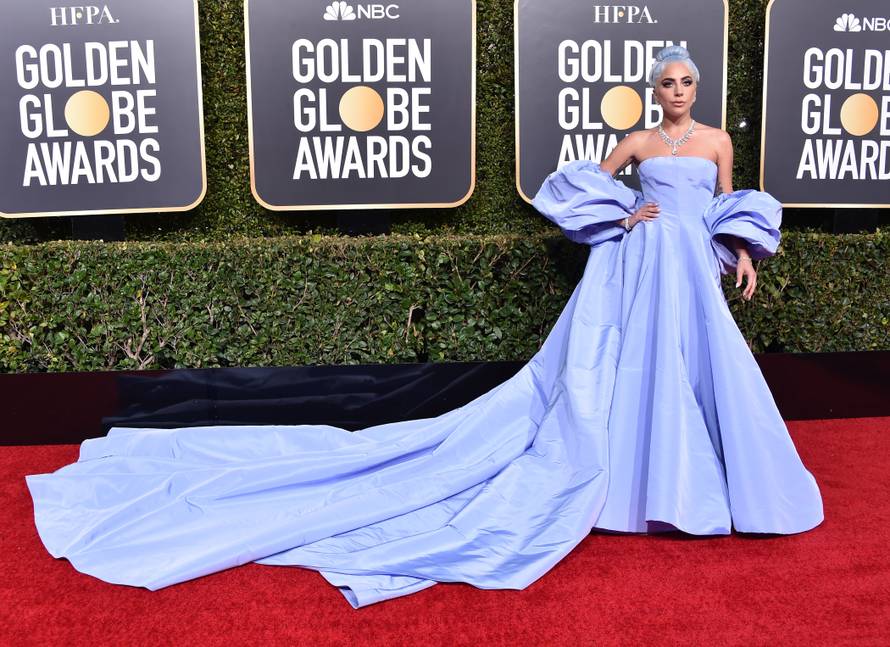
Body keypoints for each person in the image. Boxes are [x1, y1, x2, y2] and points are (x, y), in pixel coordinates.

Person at [24, 46, 823, 609]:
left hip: (692, 268)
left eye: (687, 81)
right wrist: (628, 213)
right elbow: (581, 184)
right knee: (635, 371)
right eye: (668, 83)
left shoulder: (717, 142)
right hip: (644, 266)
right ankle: (639, 480)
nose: (678, 90)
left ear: (698, 85)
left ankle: (692, 484)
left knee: (700, 369)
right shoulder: (639, 141)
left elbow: (725, 205)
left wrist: (740, 248)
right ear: (654, 91)